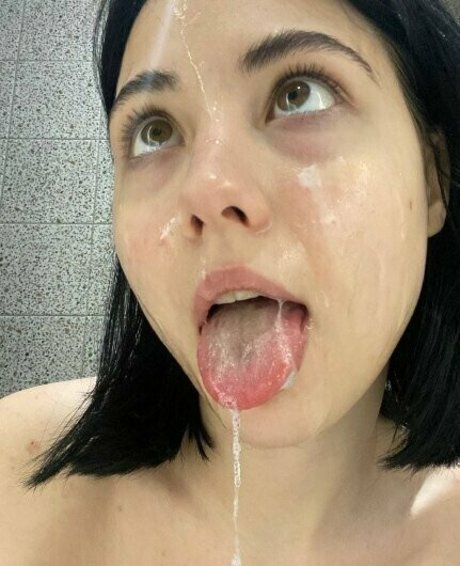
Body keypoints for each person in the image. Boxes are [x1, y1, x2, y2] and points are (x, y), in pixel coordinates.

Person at [1, 0, 460, 564]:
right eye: (154, 132)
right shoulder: (13, 481)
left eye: (299, 94)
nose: (207, 189)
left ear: (432, 179)